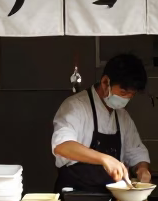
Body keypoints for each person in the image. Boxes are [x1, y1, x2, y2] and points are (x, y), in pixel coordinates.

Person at [51, 54, 151, 192]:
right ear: (105, 82)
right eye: (123, 93)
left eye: (131, 95)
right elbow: (62, 146)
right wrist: (104, 159)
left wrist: (142, 168)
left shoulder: (122, 116)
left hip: (110, 199)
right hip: (75, 198)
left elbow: (136, 151)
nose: (126, 98)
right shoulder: (75, 106)